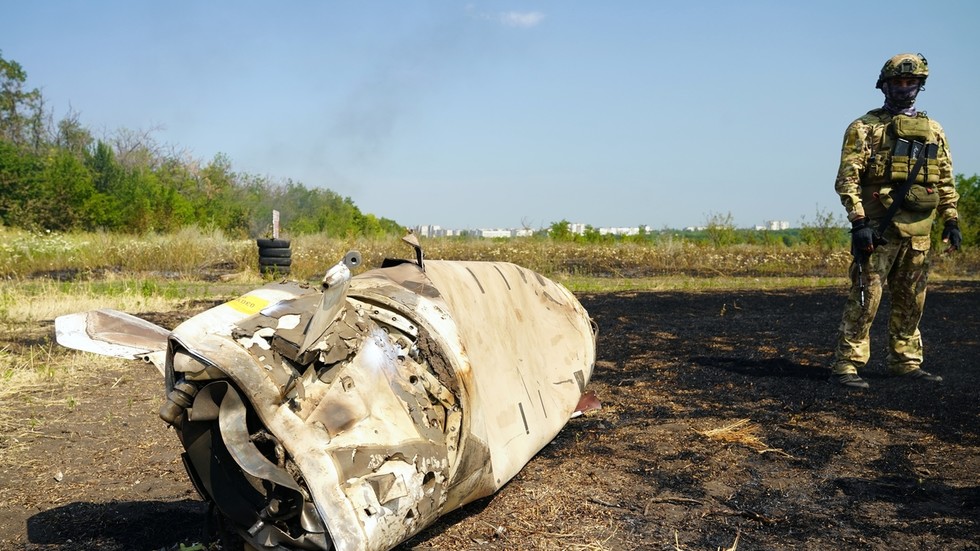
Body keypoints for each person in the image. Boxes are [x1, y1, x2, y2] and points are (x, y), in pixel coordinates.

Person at [830, 53, 961, 389]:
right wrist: (859, 222)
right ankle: (847, 364)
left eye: (911, 82)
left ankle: (905, 361)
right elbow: (847, 179)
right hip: (879, 231)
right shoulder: (864, 128)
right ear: (884, 85)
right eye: (898, 82)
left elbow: (945, 179)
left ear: (920, 85)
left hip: (919, 232)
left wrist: (951, 220)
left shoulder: (934, 130)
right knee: (865, 299)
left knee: (912, 300)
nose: (904, 88)